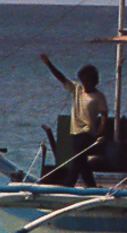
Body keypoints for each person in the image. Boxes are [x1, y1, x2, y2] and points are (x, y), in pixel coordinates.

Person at [40, 53, 108, 187]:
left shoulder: (98, 96)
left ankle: (68, 185)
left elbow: (104, 113)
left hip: (87, 132)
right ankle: (92, 186)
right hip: (75, 131)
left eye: (88, 81)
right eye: (83, 81)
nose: (85, 84)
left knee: (77, 159)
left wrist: (103, 124)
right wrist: (48, 63)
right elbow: (61, 78)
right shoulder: (77, 89)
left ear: (94, 81)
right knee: (81, 160)